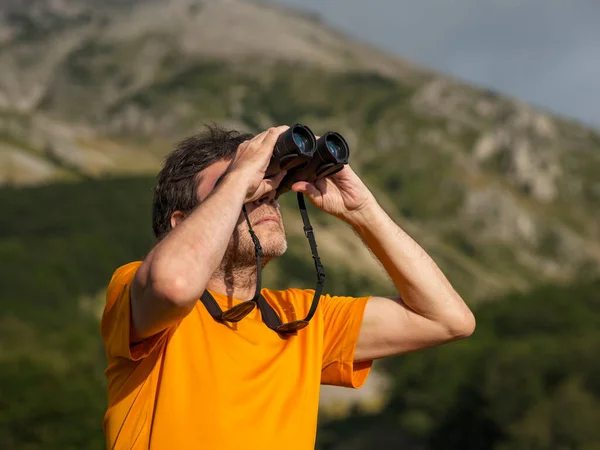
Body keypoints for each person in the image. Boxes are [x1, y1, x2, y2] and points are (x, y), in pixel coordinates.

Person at [100, 124, 475, 450]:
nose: (262, 193)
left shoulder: (300, 319)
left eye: (266, 187)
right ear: (181, 222)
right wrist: (240, 176)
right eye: (237, 188)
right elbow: (176, 285)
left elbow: (447, 319)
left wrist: (363, 212)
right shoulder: (136, 288)